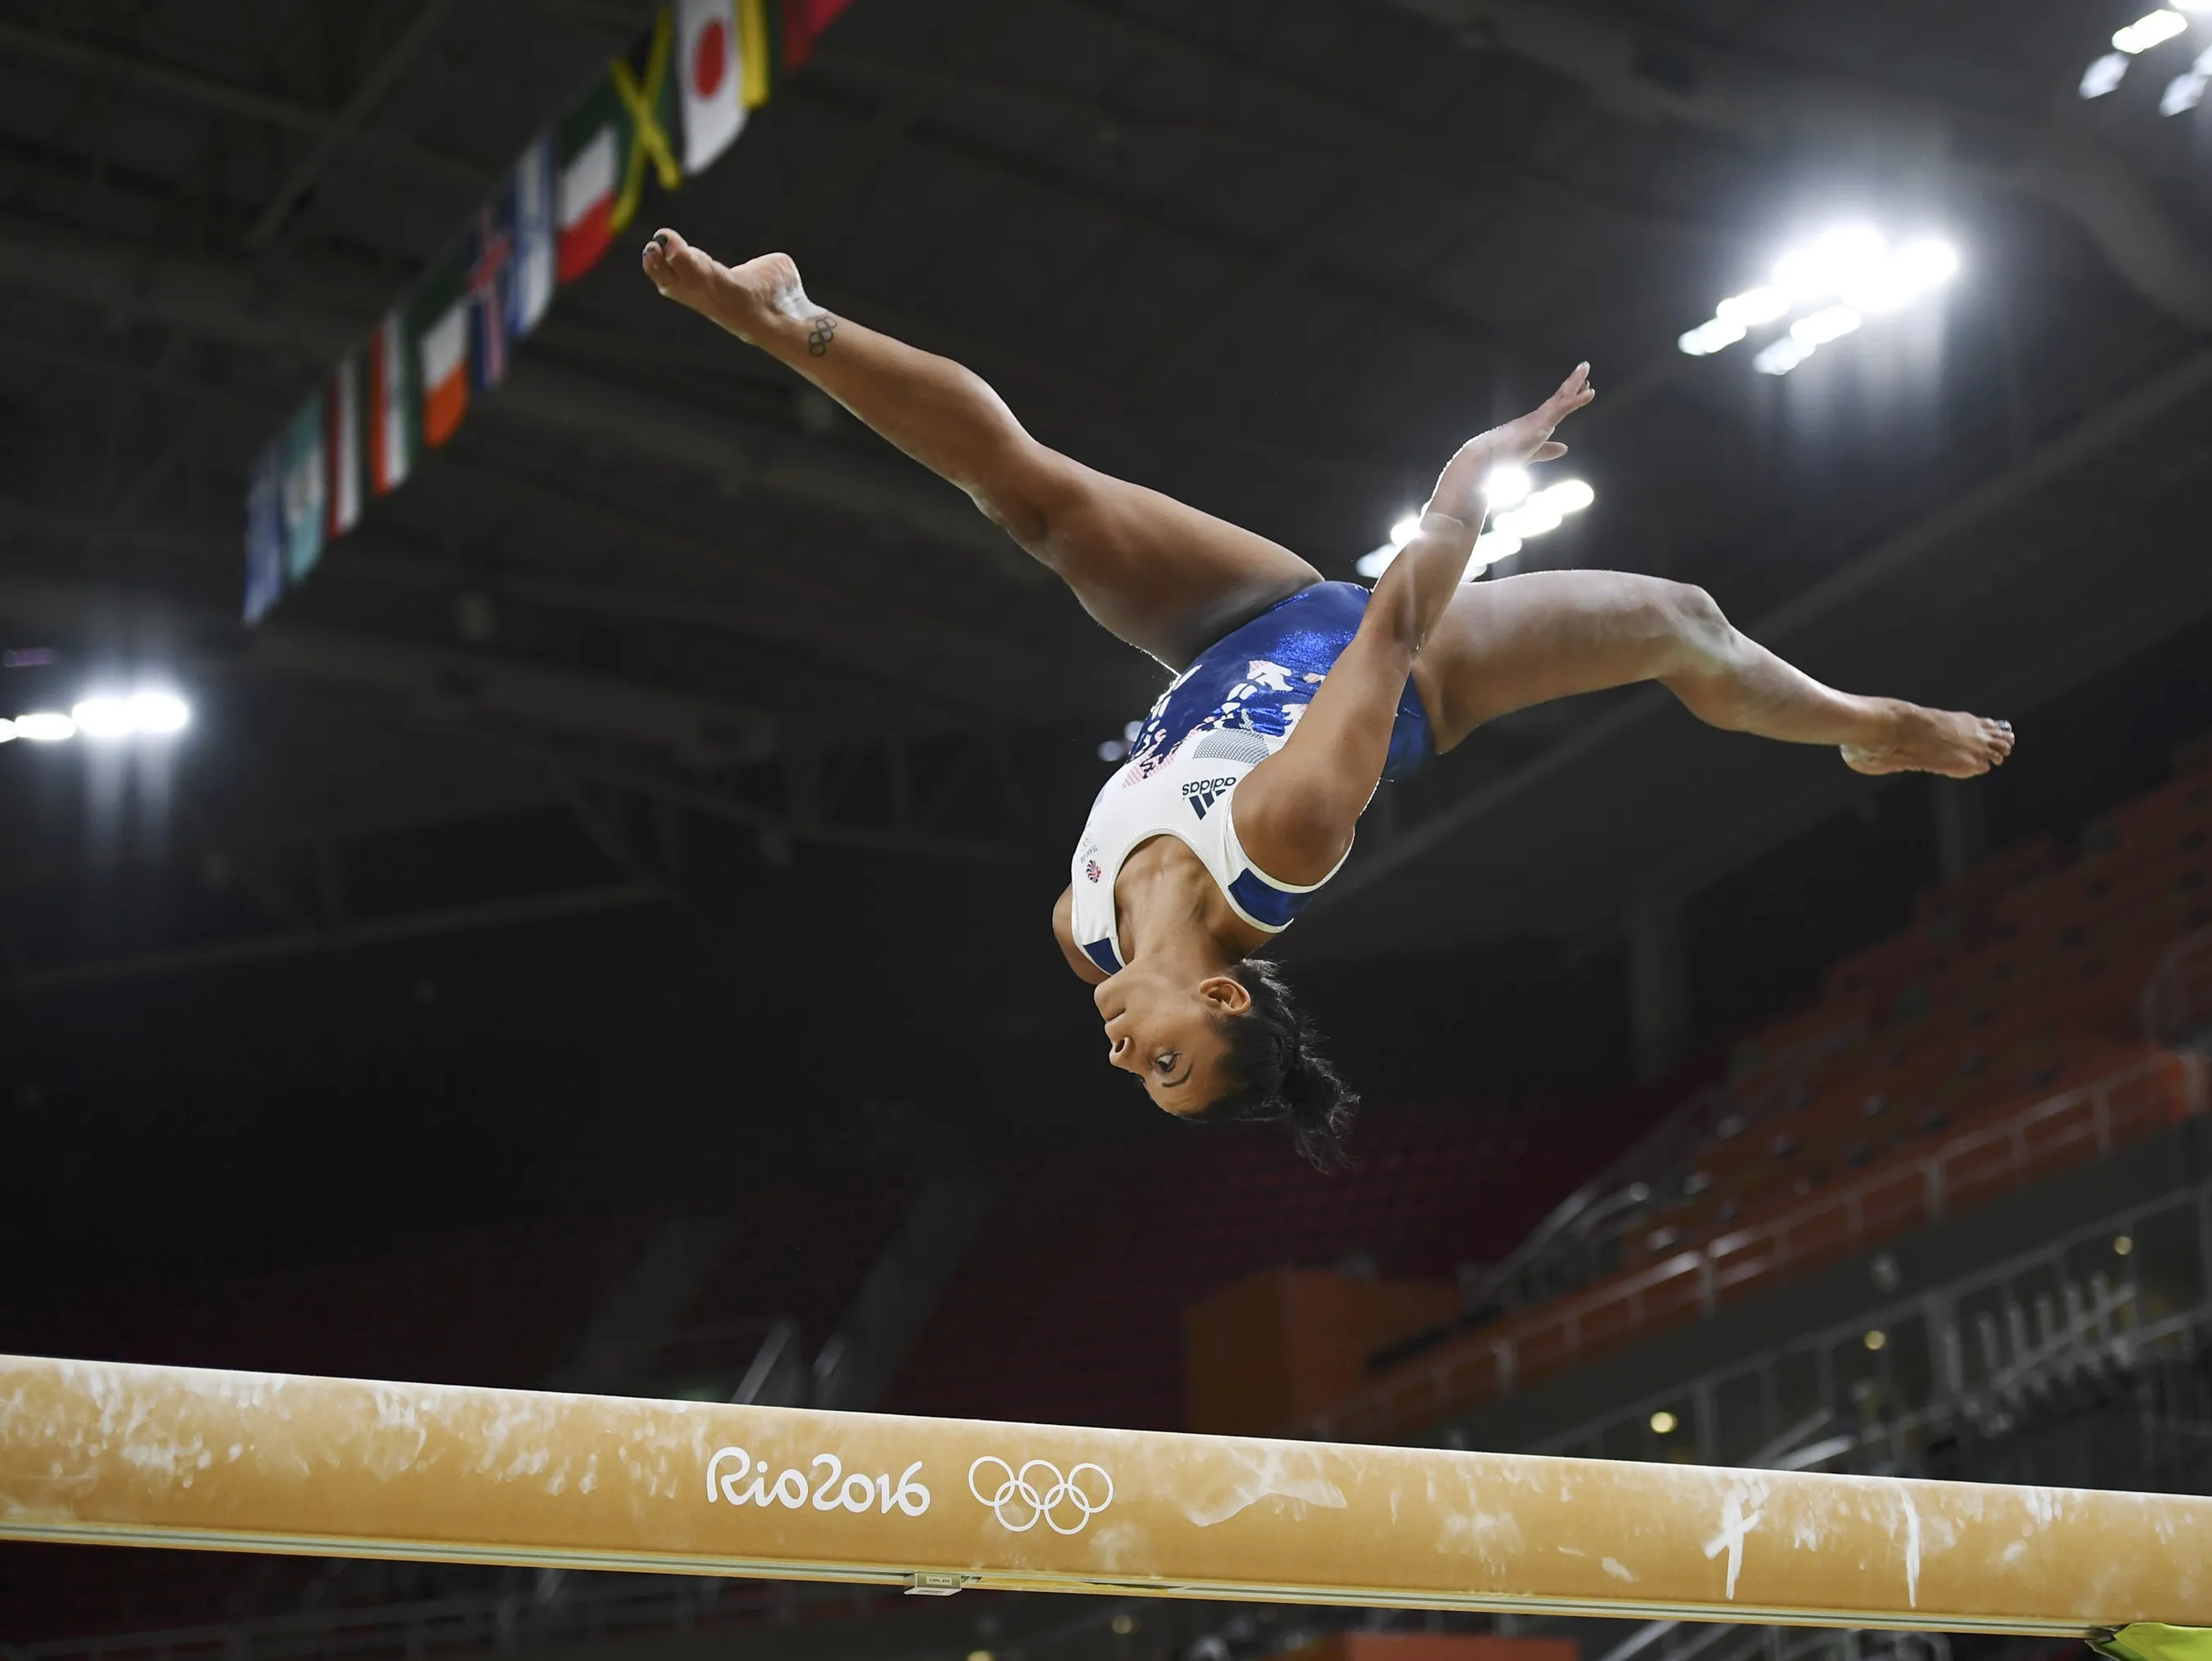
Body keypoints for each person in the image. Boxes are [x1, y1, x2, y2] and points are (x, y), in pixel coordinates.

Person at [641, 229, 2015, 1168]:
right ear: (1224, 1000)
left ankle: (788, 322)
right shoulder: (1285, 840)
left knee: (1036, 505)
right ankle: (1871, 725)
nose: (1124, 1061)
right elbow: (1395, 626)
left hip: (1226, 636)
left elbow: (1185, 731)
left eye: (1143, 1080)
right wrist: (1467, 486)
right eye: (1168, 1065)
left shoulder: (1083, 933)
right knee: (1680, 623)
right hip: (1410, 662)